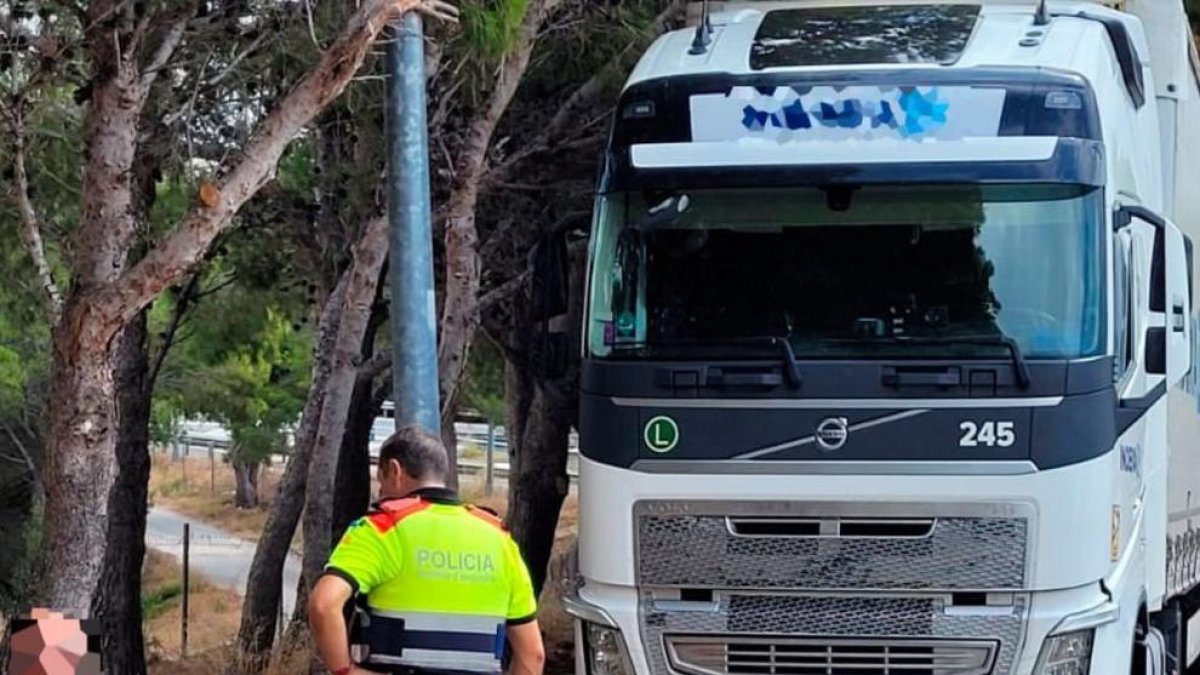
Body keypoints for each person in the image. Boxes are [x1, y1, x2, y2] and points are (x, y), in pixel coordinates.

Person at [308, 425, 546, 675]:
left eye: (382, 481)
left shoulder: (383, 528)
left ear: (394, 470)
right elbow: (533, 655)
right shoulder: (499, 539)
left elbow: (324, 604)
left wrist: (345, 671)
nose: (380, 492)